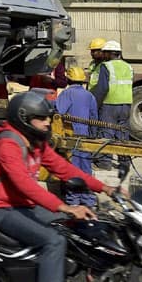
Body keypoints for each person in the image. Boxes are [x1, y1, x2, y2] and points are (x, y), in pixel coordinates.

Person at [0, 90, 122, 282]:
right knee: (54, 241)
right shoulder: (7, 145)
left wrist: (106, 188)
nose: (48, 122)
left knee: (79, 226)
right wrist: (65, 206)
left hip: (24, 206)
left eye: (48, 117)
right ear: (24, 119)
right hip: (1, 209)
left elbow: (64, 169)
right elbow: (25, 185)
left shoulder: (36, 142)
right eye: (41, 118)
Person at [56, 66, 99, 206]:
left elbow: (59, 112)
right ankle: (88, 200)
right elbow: (94, 117)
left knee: (72, 170)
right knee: (86, 169)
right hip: (85, 136)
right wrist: (93, 136)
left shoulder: (67, 94)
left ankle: (73, 200)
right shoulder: (89, 95)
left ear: (68, 79)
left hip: (70, 135)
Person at [90, 40, 133, 169]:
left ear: (110, 53)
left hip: (110, 104)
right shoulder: (128, 66)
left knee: (106, 132)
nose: (103, 55)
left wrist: (95, 106)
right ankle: (124, 163)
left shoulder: (106, 66)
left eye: (105, 53)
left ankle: (104, 163)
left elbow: (102, 88)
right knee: (123, 134)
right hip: (126, 104)